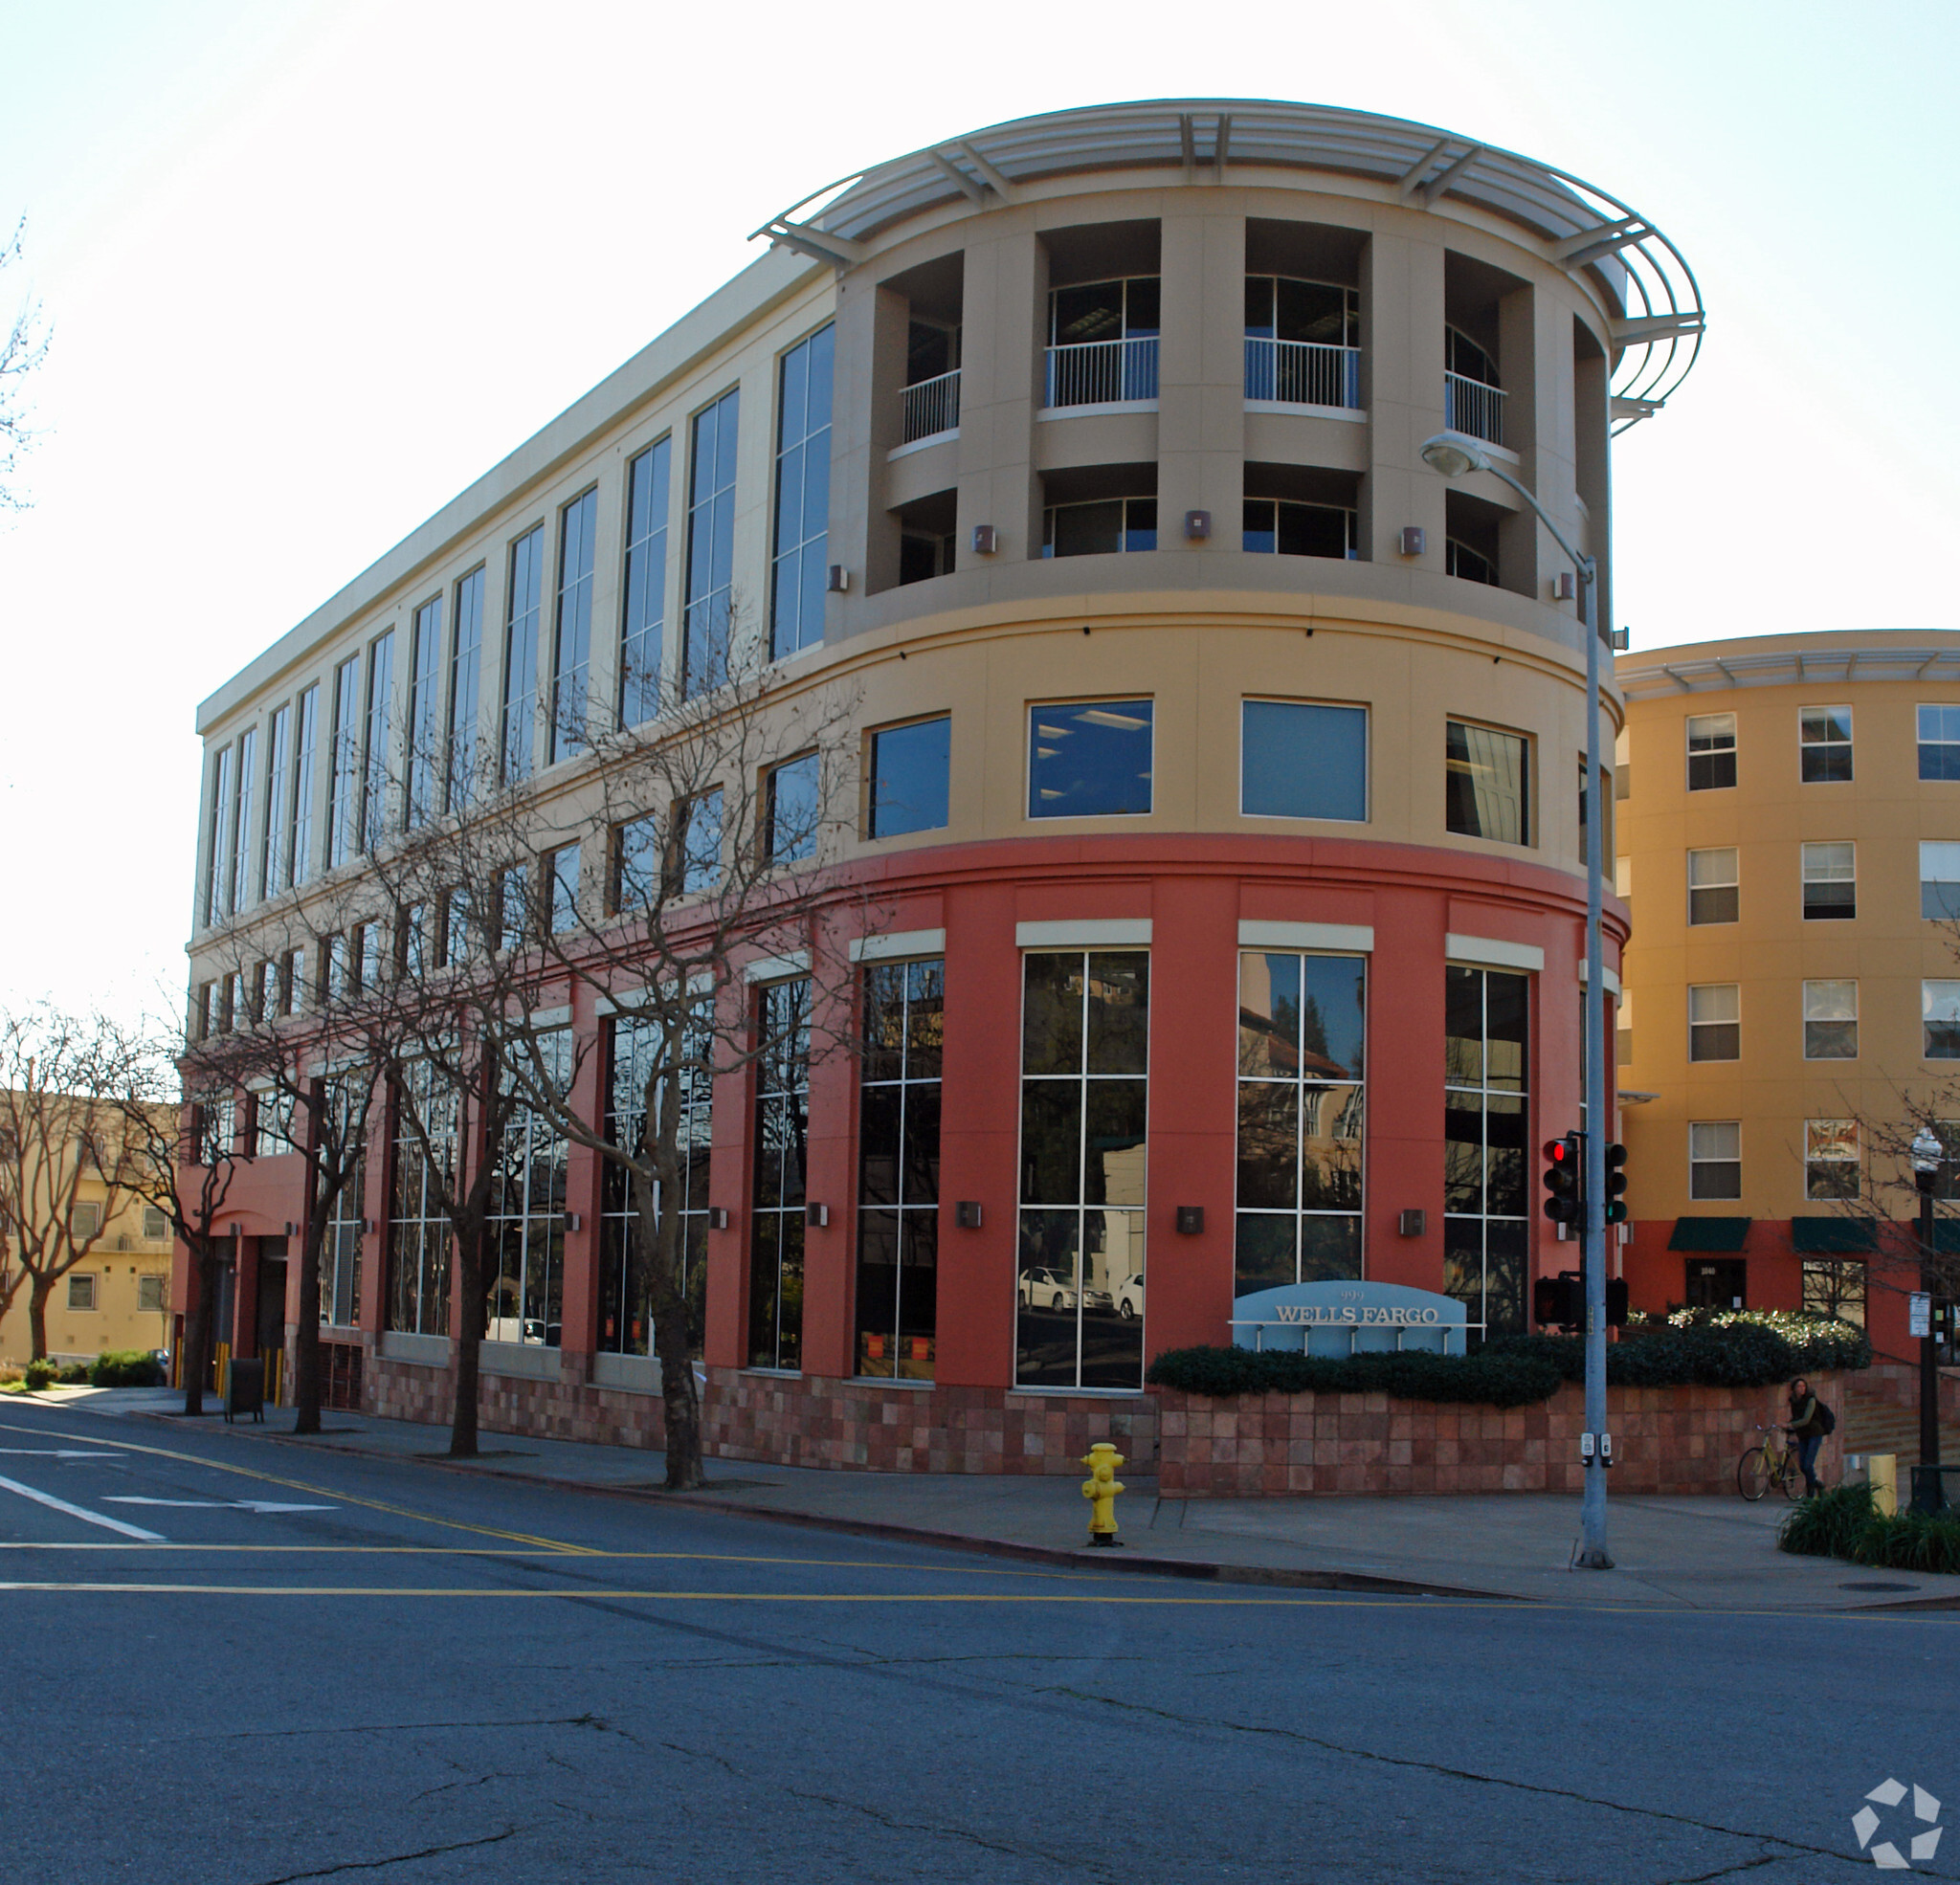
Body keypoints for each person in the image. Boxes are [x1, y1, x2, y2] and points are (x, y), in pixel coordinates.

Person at [1786, 1377, 1825, 1496]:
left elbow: (1806, 1419)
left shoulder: (1810, 1400)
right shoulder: (1793, 1401)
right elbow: (1796, 1417)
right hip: (1803, 1435)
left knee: (1808, 1464)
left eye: (1803, 1386)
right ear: (1794, 1389)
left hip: (1814, 1433)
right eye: (1799, 1386)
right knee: (1802, 1466)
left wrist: (1790, 1424)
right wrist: (1789, 1426)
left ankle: (1813, 1489)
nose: (1802, 1389)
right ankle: (1815, 1483)